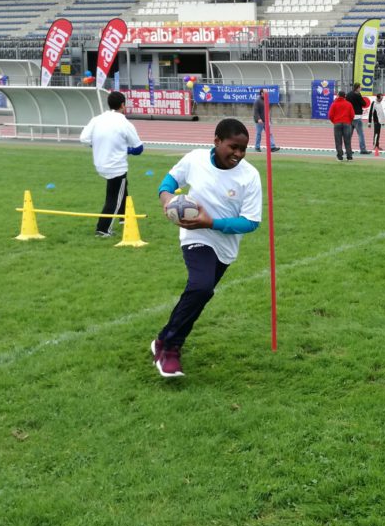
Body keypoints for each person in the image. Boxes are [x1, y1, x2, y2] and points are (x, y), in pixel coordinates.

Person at [151, 118, 262, 378]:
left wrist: (211, 222)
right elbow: (168, 182)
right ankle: (170, 350)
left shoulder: (249, 176)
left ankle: (162, 339)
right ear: (217, 141)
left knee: (200, 295)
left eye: (243, 149)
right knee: (200, 286)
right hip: (195, 236)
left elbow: (250, 223)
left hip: (225, 245)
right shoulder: (195, 159)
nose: (238, 154)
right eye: (233, 147)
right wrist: (167, 200)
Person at [79, 91, 143, 237]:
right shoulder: (124, 123)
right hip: (116, 166)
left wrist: (100, 146)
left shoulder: (97, 119)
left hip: (100, 163)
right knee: (114, 197)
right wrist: (126, 149)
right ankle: (102, 229)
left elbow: (84, 139)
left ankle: (123, 217)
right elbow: (139, 148)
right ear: (123, 105)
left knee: (122, 187)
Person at [328, 89, 355, 161]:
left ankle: (340, 156)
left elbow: (330, 115)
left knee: (338, 141)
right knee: (347, 141)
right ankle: (349, 157)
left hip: (337, 123)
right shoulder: (349, 104)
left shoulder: (334, 104)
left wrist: (335, 121)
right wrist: (349, 121)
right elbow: (352, 115)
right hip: (347, 123)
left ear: (338, 96)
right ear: (345, 96)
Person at [252, 88, 280, 153]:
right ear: (261, 93)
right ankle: (257, 147)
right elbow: (255, 111)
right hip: (260, 121)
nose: (267, 94)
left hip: (266, 121)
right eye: (265, 93)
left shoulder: (266, 100)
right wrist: (258, 119)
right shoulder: (257, 101)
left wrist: (269, 119)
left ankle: (272, 147)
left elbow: (267, 111)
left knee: (269, 133)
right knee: (259, 134)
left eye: (267, 93)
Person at [346, 82, 370, 154]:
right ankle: (363, 149)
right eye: (360, 87)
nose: (361, 88)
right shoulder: (358, 95)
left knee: (349, 134)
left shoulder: (348, 94)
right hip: (357, 117)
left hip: (350, 117)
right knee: (360, 134)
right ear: (357, 88)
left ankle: (348, 150)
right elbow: (364, 103)